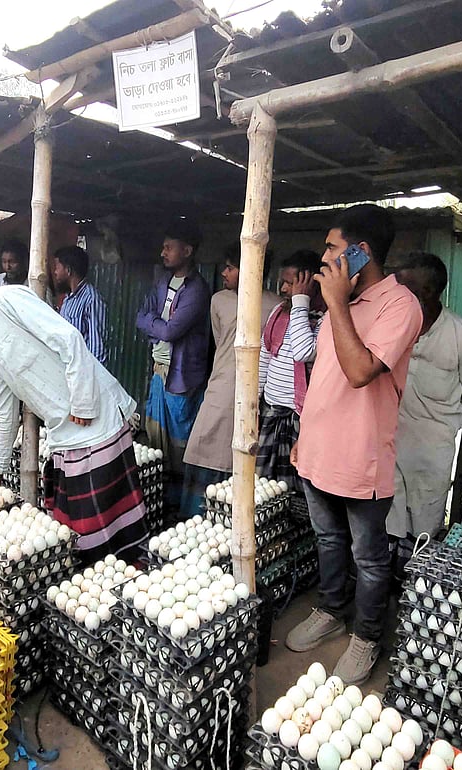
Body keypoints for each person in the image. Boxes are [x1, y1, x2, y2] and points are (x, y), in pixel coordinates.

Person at [0, 275, 146, 563]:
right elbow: (6, 411)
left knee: (105, 526)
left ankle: (127, 573)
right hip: (65, 434)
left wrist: (83, 402)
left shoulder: (6, 300)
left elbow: (69, 339)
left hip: (97, 424)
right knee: (75, 529)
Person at [285, 204, 422, 685]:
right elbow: (323, 379)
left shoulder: (400, 305)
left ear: (361, 254)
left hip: (361, 461)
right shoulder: (337, 306)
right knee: (327, 540)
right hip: (318, 453)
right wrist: (306, 438)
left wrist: (337, 303)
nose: (323, 259)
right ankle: (331, 609)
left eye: (331, 248)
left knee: (369, 557)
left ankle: (365, 638)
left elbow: (361, 371)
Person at [387, 252, 462, 566]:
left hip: (432, 449)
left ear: (427, 292)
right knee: (387, 522)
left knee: (424, 522)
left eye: (404, 286)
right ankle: (385, 581)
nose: (395, 292)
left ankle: (415, 584)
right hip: (390, 441)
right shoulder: (391, 328)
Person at [183, 245, 280, 517]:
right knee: (204, 445)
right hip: (221, 385)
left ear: (252, 267)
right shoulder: (219, 301)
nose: (224, 272)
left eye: (231, 267)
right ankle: (195, 516)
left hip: (254, 391)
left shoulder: (275, 306)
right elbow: (221, 342)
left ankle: (228, 518)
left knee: (240, 455)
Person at [136, 221, 211, 519]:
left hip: (181, 377)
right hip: (159, 371)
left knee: (179, 444)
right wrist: (160, 327)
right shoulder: (162, 282)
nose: (163, 252)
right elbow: (142, 316)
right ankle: (160, 504)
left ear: (187, 251)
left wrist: (158, 326)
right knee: (156, 441)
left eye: (169, 247)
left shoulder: (198, 290)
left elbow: (171, 331)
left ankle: (181, 511)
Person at [256, 249, 326, 488]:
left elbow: (304, 351)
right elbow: (266, 355)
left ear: (310, 284)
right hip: (271, 413)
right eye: (283, 282)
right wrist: (255, 403)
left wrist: (300, 303)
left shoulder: (326, 318)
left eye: (290, 284)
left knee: (298, 488)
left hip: (300, 420)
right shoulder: (279, 312)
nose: (284, 289)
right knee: (264, 486)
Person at [53, 244, 108, 364]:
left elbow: (97, 346)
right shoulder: (68, 299)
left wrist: (91, 377)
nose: (55, 272)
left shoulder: (91, 299)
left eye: (57, 267)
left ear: (68, 270)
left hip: (82, 372)